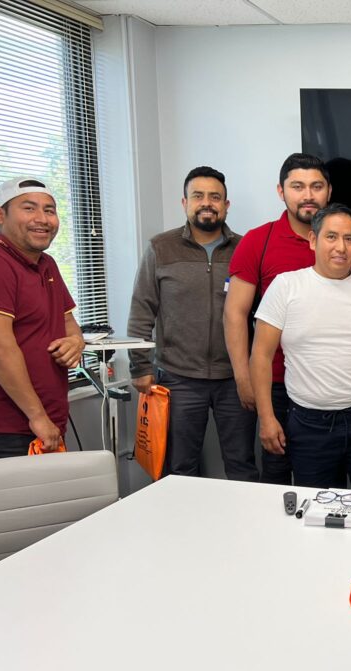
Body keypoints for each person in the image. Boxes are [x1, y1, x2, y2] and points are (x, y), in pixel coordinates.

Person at [224, 153, 351, 484]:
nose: (308, 195)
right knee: (278, 473)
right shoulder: (257, 241)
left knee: (326, 483)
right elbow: (235, 313)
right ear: (281, 191)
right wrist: (243, 376)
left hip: (330, 389)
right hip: (275, 384)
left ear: (329, 191)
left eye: (316, 186)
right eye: (298, 186)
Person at [249, 204, 351, 490]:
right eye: (331, 237)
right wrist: (267, 418)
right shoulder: (286, 286)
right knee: (318, 512)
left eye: (349, 239)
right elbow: (261, 356)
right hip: (309, 424)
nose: (341, 247)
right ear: (313, 240)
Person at [127, 166, 257, 481]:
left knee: (243, 465)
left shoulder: (246, 247)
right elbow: (142, 307)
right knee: (180, 468)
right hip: (178, 377)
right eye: (198, 196)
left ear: (227, 205)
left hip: (235, 378)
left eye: (215, 197)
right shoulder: (161, 247)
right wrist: (139, 367)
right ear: (184, 202)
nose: (207, 203)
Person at [0, 177, 85, 461]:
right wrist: (37, 416)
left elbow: (69, 323)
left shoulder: (46, 264)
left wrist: (76, 341)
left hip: (46, 423)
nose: (42, 219)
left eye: (49, 210)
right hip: (3, 431)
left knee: (53, 507)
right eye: (29, 208)